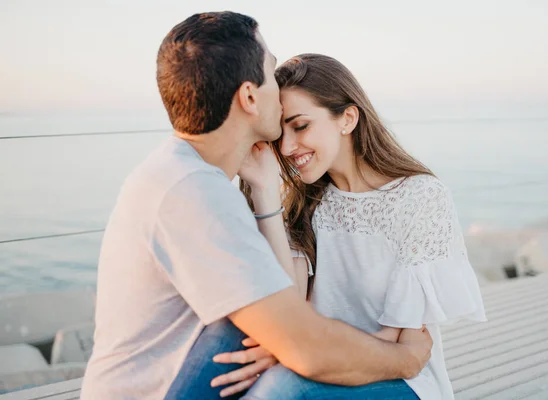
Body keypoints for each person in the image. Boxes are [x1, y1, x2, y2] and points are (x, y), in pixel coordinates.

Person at [80, 12, 432, 400]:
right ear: (249, 96)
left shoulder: (185, 175)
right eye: (269, 71)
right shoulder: (193, 192)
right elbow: (307, 348)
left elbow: (286, 306)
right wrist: (408, 359)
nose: (278, 94)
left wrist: (264, 190)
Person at [213, 54, 487, 399]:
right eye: (280, 132)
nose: (286, 147)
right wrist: (265, 191)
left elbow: (398, 344)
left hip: (396, 378)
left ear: (347, 118)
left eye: (300, 126)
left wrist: (300, 355)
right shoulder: (302, 200)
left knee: (280, 390)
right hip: (316, 363)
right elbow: (290, 305)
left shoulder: (420, 197)